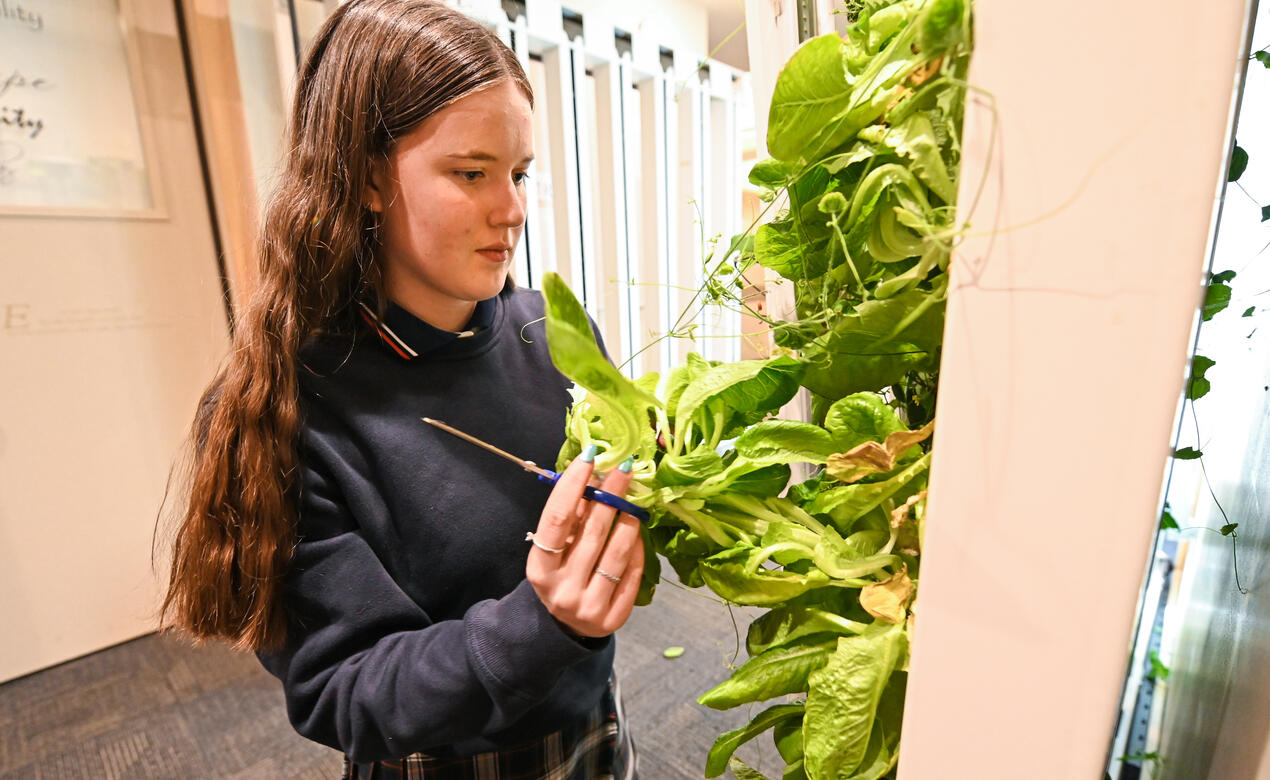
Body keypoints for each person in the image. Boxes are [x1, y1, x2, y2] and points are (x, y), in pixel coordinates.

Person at [159, 1, 645, 777]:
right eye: (471, 172)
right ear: (369, 178)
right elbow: (342, 690)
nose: (512, 209)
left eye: (518, 174)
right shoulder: (295, 408)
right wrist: (538, 621)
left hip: (593, 722)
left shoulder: (550, 326)